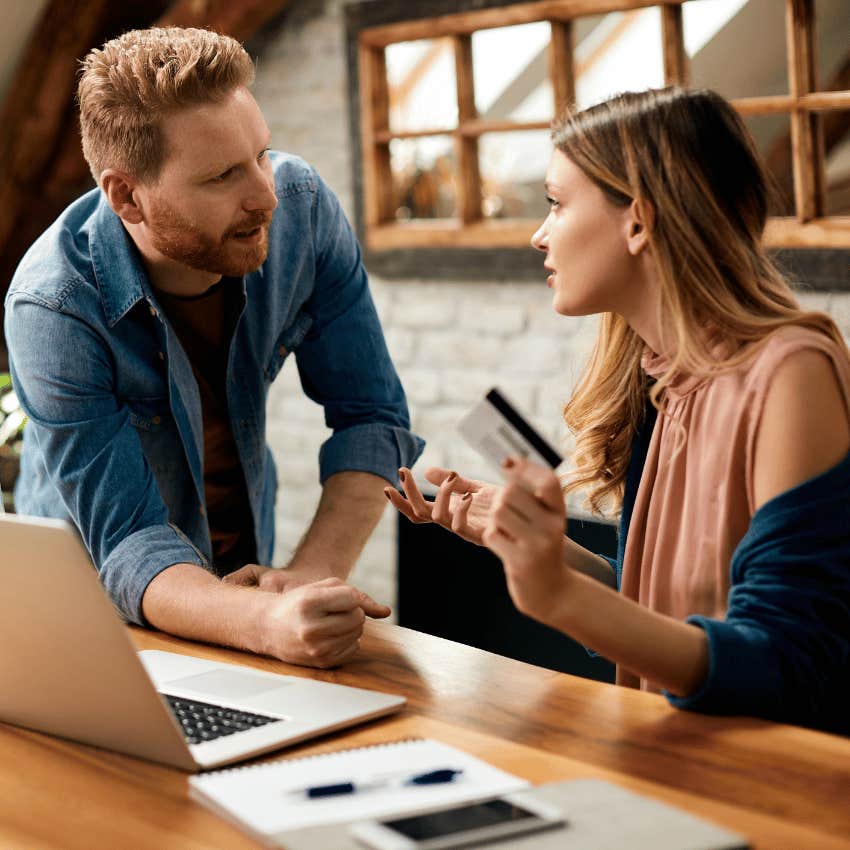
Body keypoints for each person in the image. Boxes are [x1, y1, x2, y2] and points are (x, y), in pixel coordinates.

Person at [387, 86, 850, 734]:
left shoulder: (791, 374)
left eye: (555, 203)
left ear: (638, 220)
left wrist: (560, 596)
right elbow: (652, 609)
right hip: (668, 758)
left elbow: (785, 662)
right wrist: (537, 553)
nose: (539, 234)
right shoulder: (657, 377)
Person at [4, 27, 423, 668]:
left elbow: (372, 418)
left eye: (262, 153)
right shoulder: (53, 306)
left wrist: (306, 577)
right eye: (224, 175)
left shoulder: (302, 211)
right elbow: (126, 539)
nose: (265, 194)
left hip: (239, 589)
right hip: (95, 625)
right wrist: (264, 622)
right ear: (127, 197)